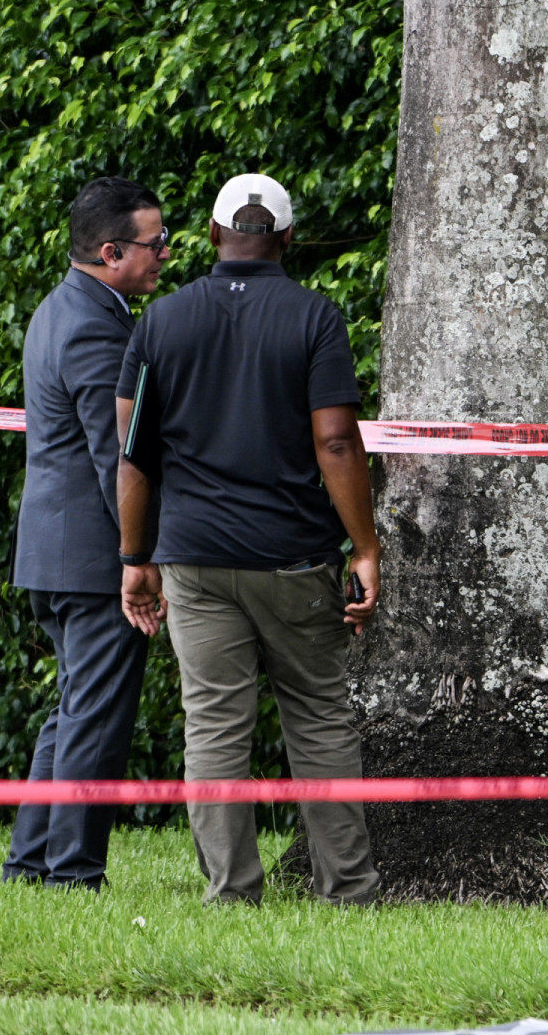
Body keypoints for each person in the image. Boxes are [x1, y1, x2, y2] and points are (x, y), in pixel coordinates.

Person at [115, 173, 382, 905]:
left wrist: (135, 560)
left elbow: (133, 455)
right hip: (294, 556)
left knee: (214, 729)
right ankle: (348, 889)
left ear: (209, 234)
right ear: (287, 238)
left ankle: (231, 893)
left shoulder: (160, 322)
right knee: (321, 719)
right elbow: (336, 441)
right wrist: (366, 547)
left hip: (194, 558)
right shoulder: (315, 317)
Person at [3, 178, 172, 889]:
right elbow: (116, 457)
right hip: (91, 554)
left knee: (74, 708)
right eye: (154, 242)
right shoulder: (99, 325)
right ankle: (73, 872)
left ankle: (30, 860)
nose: (166, 253)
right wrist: (140, 555)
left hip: (52, 550)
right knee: (96, 716)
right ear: (111, 252)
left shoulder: (55, 309)